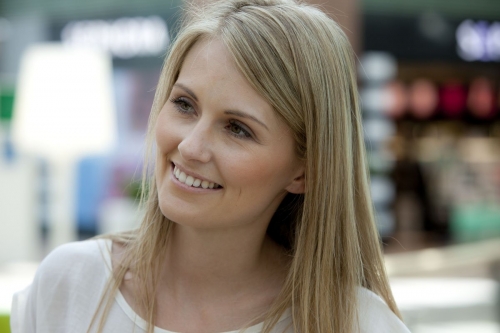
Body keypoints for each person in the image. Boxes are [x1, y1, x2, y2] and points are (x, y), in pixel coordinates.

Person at [11, 0, 411, 332]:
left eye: (237, 129)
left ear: (303, 172)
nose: (190, 146)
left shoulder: (356, 323)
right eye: (184, 104)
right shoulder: (69, 285)